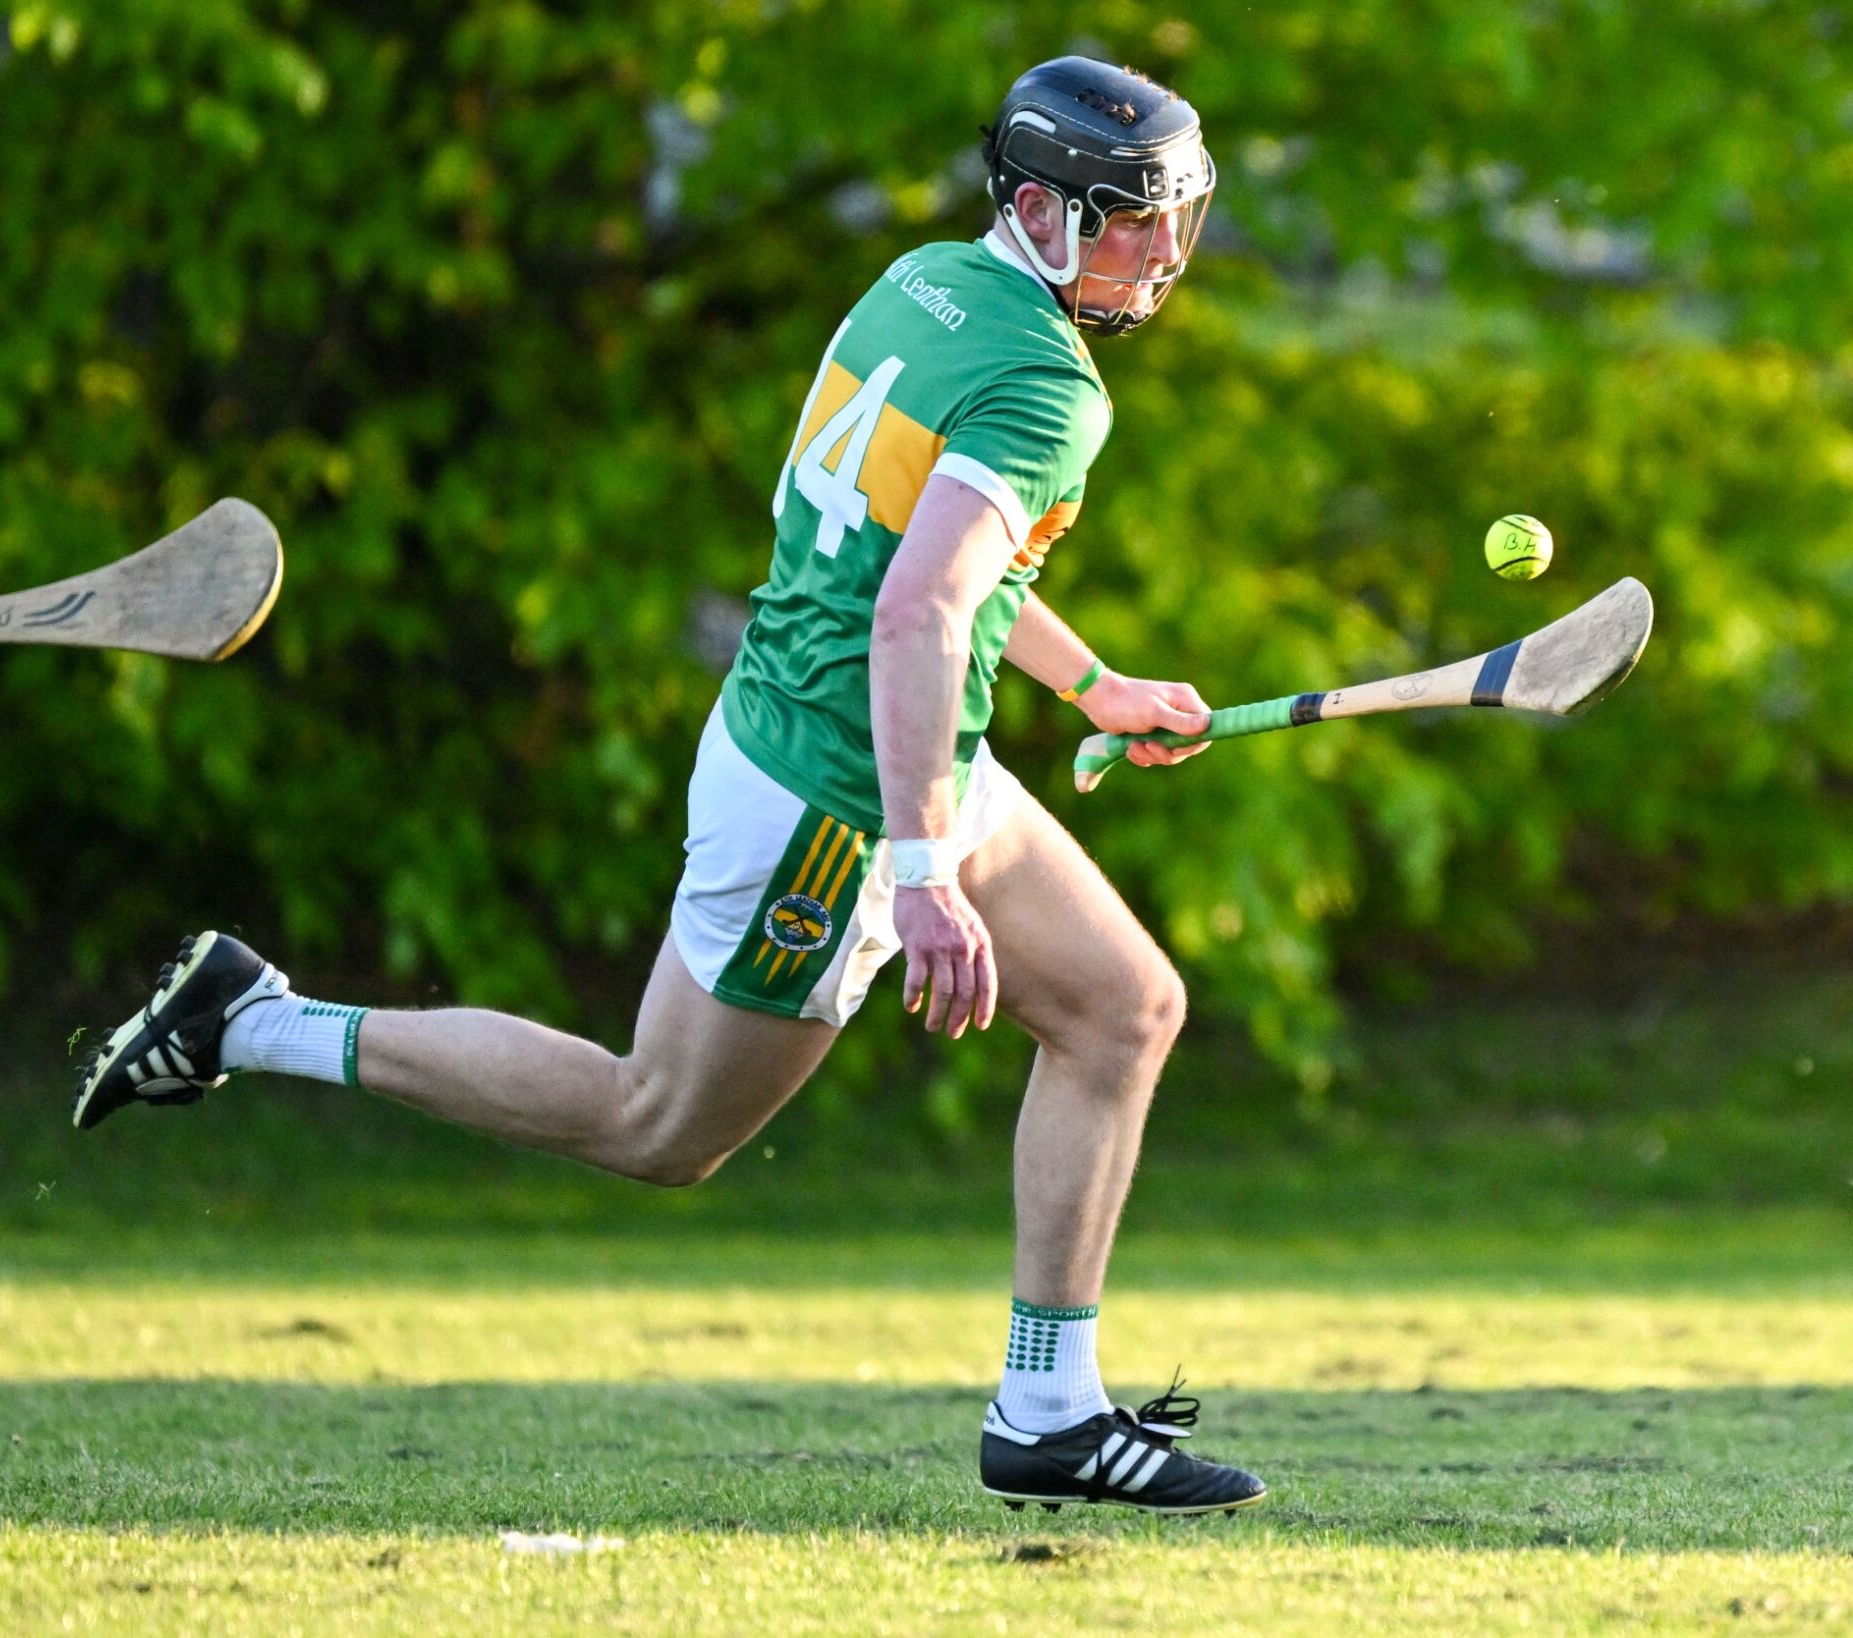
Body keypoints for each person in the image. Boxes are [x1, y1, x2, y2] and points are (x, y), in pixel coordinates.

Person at [73, 54, 1265, 1517]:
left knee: (1124, 1006)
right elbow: (918, 617)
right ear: (1040, 204)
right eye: (1134, 217)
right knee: (657, 1125)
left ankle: (1048, 1406)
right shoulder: (1044, 381)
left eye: (1175, 214)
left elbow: (937, 571)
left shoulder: (932, 284)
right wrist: (920, 866)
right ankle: (257, 1021)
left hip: (879, 746)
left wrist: (1094, 687)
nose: (1163, 252)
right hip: (845, 791)